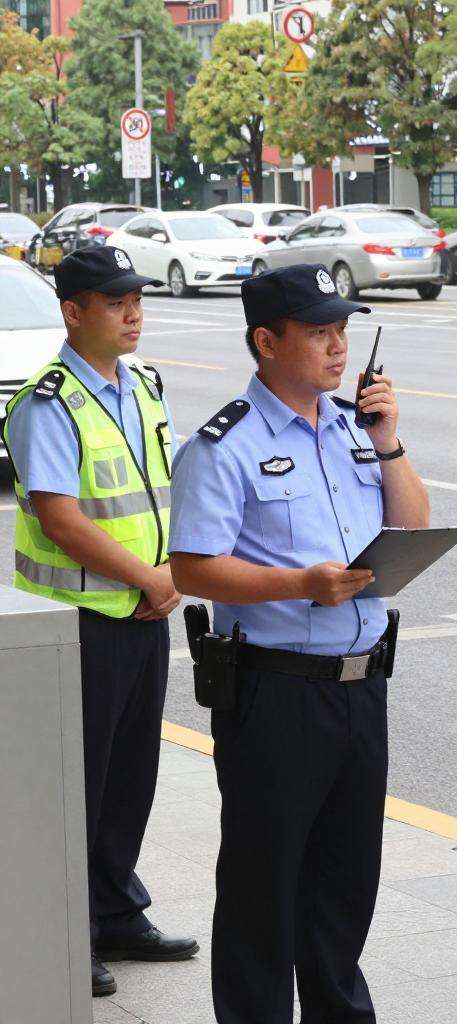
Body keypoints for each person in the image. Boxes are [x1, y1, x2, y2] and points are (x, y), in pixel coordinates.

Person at [167, 263, 429, 1024]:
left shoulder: (353, 428)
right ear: (266, 341)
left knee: (346, 880)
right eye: (319, 332)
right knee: (264, 883)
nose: (339, 346)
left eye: (343, 330)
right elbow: (192, 567)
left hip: (361, 686)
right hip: (274, 689)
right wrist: (299, 584)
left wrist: (389, 441)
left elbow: (412, 523)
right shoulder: (224, 445)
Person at [1, 246, 198, 997]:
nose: (133, 314)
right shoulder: (48, 403)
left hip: (144, 612)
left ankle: (116, 912)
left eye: (137, 300)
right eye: (116, 303)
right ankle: (67, 929)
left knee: (129, 777)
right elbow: (60, 518)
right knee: (74, 787)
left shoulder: (143, 385)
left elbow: (164, 488)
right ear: (73, 311)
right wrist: (149, 577)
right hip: (78, 622)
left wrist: (169, 575)